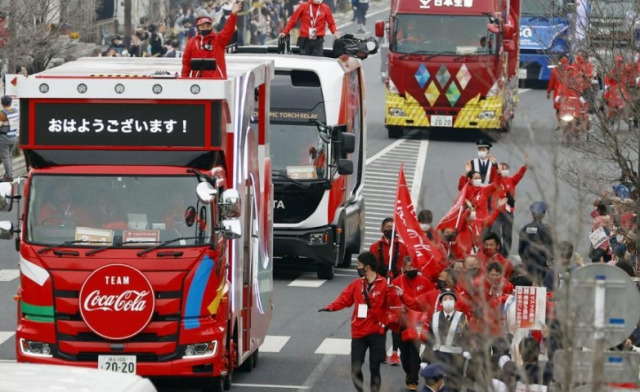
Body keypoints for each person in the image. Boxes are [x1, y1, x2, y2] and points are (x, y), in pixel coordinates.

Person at [319, 252, 399, 392]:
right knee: (355, 369)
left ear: (367, 267)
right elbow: (345, 299)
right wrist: (331, 307)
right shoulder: (357, 284)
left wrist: (392, 293)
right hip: (358, 331)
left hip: (376, 332)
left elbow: (392, 307)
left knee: (375, 368)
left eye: (359, 264)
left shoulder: (385, 285)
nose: (358, 267)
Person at [392, 256, 434, 391]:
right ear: (403, 268)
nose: (412, 269)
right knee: (404, 353)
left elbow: (431, 299)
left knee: (414, 351)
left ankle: (413, 380)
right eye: (409, 267)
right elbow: (391, 300)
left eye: (414, 266)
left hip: (418, 322)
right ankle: (409, 373)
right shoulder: (397, 282)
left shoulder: (425, 282)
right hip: (402, 322)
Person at [423, 289, 471, 392]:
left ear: (455, 301)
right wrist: (425, 360)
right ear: (441, 302)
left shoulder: (462, 317)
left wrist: (467, 350)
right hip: (438, 357)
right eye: (445, 299)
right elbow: (429, 339)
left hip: (456, 359)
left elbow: (466, 337)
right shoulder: (435, 317)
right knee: (438, 386)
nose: (448, 301)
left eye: (450, 298)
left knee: (454, 387)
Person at [182, 5, 242, 79]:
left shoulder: (218, 39)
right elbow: (186, 65)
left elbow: (228, 30)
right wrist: (184, 81)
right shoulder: (191, 43)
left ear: (211, 27)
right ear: (198, 28)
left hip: (217, 81)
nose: (205, 28)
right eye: (202, 27)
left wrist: (233, 15)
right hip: (198, 82)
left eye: (208, 26)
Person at [492, 155, 528, 256]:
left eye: (506, 168)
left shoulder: (511, 181)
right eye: (502, 168)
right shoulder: (495, 180)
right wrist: (495, 166)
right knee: (496, 233)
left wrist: (525, 165)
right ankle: (497, 254)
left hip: (508, 212)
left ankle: (505, 256)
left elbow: (519, 175)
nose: (504, 170)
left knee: (507, 236)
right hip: (497, 212)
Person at [518, 201, 554, 284]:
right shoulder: (545, 229)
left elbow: (521, 248)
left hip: (528, 263)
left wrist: (524, 260)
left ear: (532, 214)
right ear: (543, 215)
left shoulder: (525, 228)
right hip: (541, 264)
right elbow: (549, 247)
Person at [0, 95, 18, 181]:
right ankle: (9, 173)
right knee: (9, 156)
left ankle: (9, 176)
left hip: (4, 137)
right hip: (13, 136)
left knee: (5, 157)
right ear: (10, 102)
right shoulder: (15, 111)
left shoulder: (2, 114)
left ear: (2, 103)